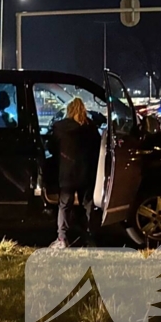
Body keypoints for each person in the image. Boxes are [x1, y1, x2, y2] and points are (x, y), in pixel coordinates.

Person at [48, 97, 102, 249]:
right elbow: (98, 148)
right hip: (86, 173)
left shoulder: (59, 127)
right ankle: (90, 237)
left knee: (64, 205)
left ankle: (62, 238)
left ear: (69, 110)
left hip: (67, 173)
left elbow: (52, 148)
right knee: (88, 205)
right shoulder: (90, 128)